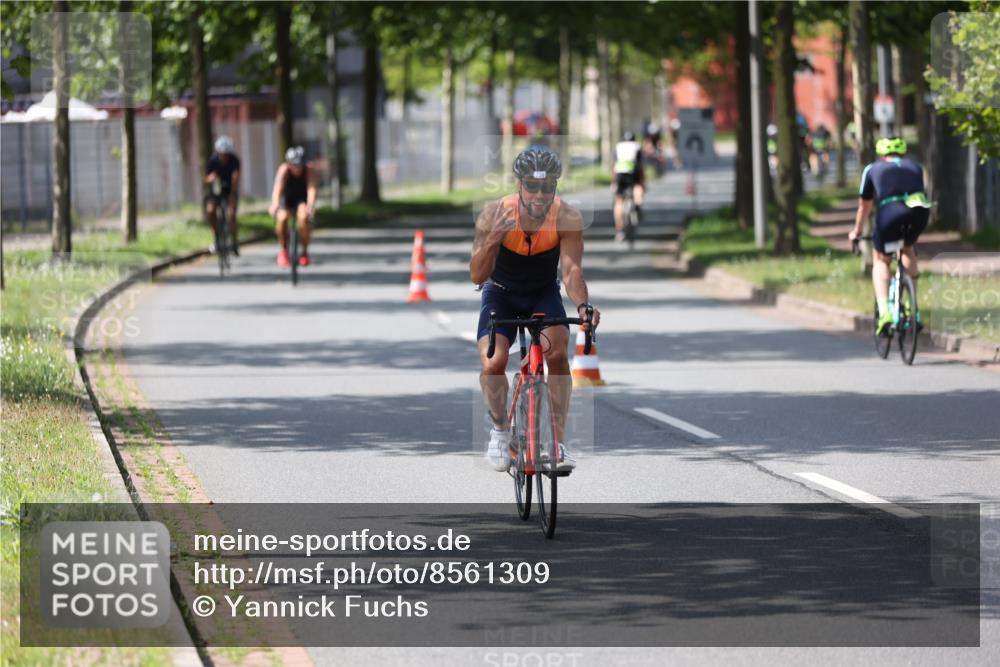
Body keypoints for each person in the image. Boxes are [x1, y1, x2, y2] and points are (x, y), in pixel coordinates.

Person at [470, 146, 600, 472]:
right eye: (532, 186)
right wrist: (493, 239)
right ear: (519, 185)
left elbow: (571, 271)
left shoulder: (567, 217)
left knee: (556, 352)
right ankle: (501, 431)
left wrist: (583, 305)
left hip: (542, 294)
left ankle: (555, 442)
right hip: (500, 293)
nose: (540, 194)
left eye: (547, 186)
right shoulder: (493, 214)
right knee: (493, 362)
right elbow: (477, 275)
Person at [848, 137, 931, 334]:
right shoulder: (916, 166)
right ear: (903, 153)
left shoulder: (872, 169)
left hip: (891, 212)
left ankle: (885, 312)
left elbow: (864, 207)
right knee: (907, 249)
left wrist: (856, 232)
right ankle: (913, 308)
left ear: (881, 155)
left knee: (881, 260)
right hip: (919, 211)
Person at [268, 146, 317, 267]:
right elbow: (277, 188)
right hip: (287, 198)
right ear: (289, 163)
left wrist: (311, 205)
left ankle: (304, 252)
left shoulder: (308, 170)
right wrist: (275, 204)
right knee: (282, 218)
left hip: (302, 199)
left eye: (300, 165)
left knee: (304, 218)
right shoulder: (284, 170)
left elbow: (311, 189)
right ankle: (283, 250)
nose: (297, 168)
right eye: (294, 165)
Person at [205, 136, 241, 255]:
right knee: (210, 211)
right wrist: (211, 178)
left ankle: (234, 241)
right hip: (216, 191)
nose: (224, 157)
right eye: (222, 154)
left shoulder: (234, 161)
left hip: (230, 190)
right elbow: (206, 178)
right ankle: (216, 237)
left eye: (226, 154)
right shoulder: (212, 161)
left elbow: (236, 177)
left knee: (232, 214)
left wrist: (232, 194)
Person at [612, 131, 644, 242]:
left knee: (619, 202)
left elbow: (614, 166)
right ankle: (638, 204)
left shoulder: (618, 147)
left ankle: (619, 230)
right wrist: (642, 182)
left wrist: (614, 182)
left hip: (620, 173)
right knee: (638, 186)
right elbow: (640, 166)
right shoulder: (637, 146)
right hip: (633, 172)